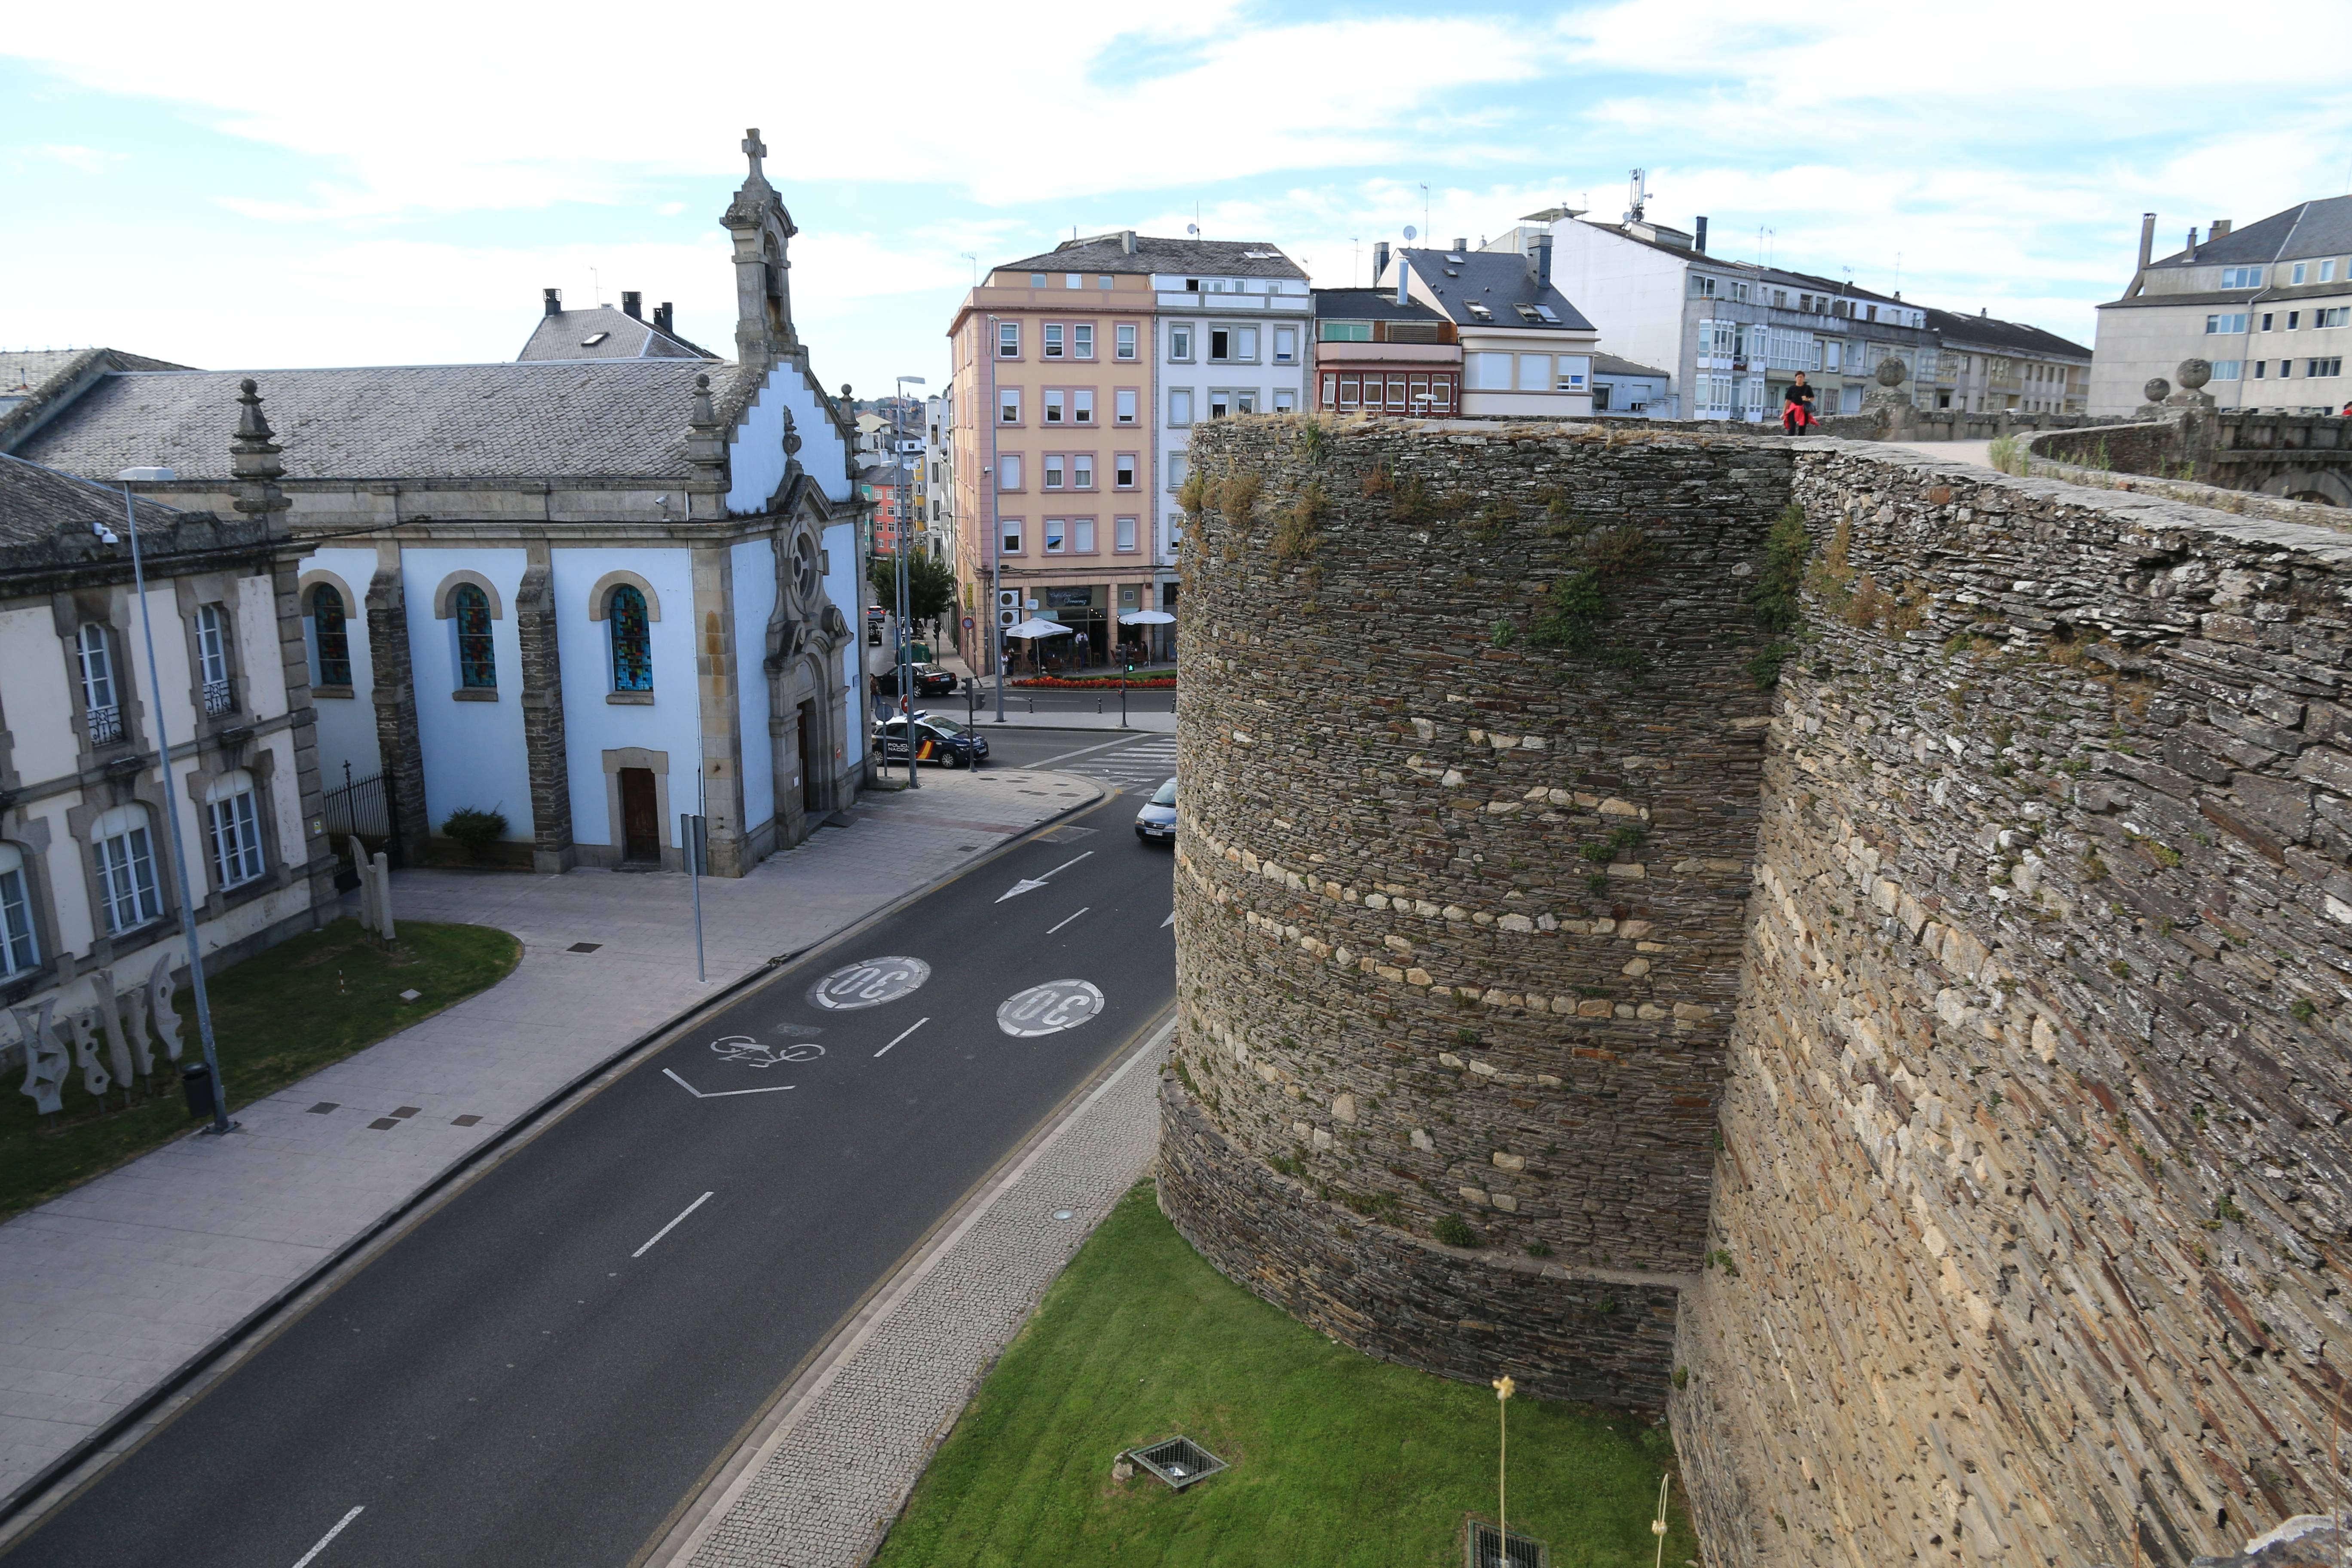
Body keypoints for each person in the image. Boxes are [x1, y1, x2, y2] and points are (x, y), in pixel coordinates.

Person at [1782, 371, 1818, 435]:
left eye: (1801, 377)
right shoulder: (1792, 388)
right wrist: (1784, 413)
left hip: (1804, 409)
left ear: (1804, 378)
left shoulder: (1808, 388)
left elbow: (1813, 398)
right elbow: (1788, 401)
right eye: (1798, 377)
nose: (1800, 379)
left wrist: (1807, 399)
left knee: (1802, 429)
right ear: (1796, 378)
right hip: (1793, 409)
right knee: (1791, 428)